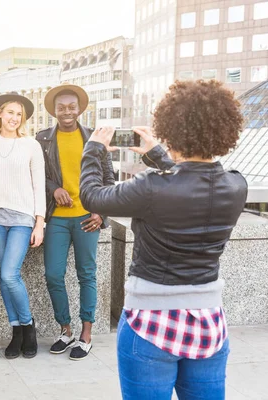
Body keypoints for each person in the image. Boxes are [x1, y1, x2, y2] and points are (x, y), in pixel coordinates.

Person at [79, 80, 247, 399]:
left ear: (172, 130)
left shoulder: (152, 187)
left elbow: (92, 196)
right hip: (209, 322)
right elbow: (191, 183)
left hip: (150, 321)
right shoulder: (237, 186)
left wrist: (93, 151)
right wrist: (158, 155)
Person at [36, 84, 115, 360]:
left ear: (80, 109)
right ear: (54, 111)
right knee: (53, 275)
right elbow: (37, 176)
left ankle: (86, 335)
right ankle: (65, 330)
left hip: (86, 218)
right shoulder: (43, 139)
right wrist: (53, 187)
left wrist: (100, 212)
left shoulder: (95, 139)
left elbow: (109, 180)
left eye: (72, 107)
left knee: (86, 275)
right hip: (56, 218)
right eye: (61, 107)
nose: (67, 111)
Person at [0, 92, 46, 359]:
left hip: (22, 218)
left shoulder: (31, 145)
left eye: (19, 114)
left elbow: (39, 184)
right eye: (10, 113)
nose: (14, 118)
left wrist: (39, 222)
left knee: (10, 275)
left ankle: (29, 326)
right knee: (4, 278)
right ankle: (16, 330)